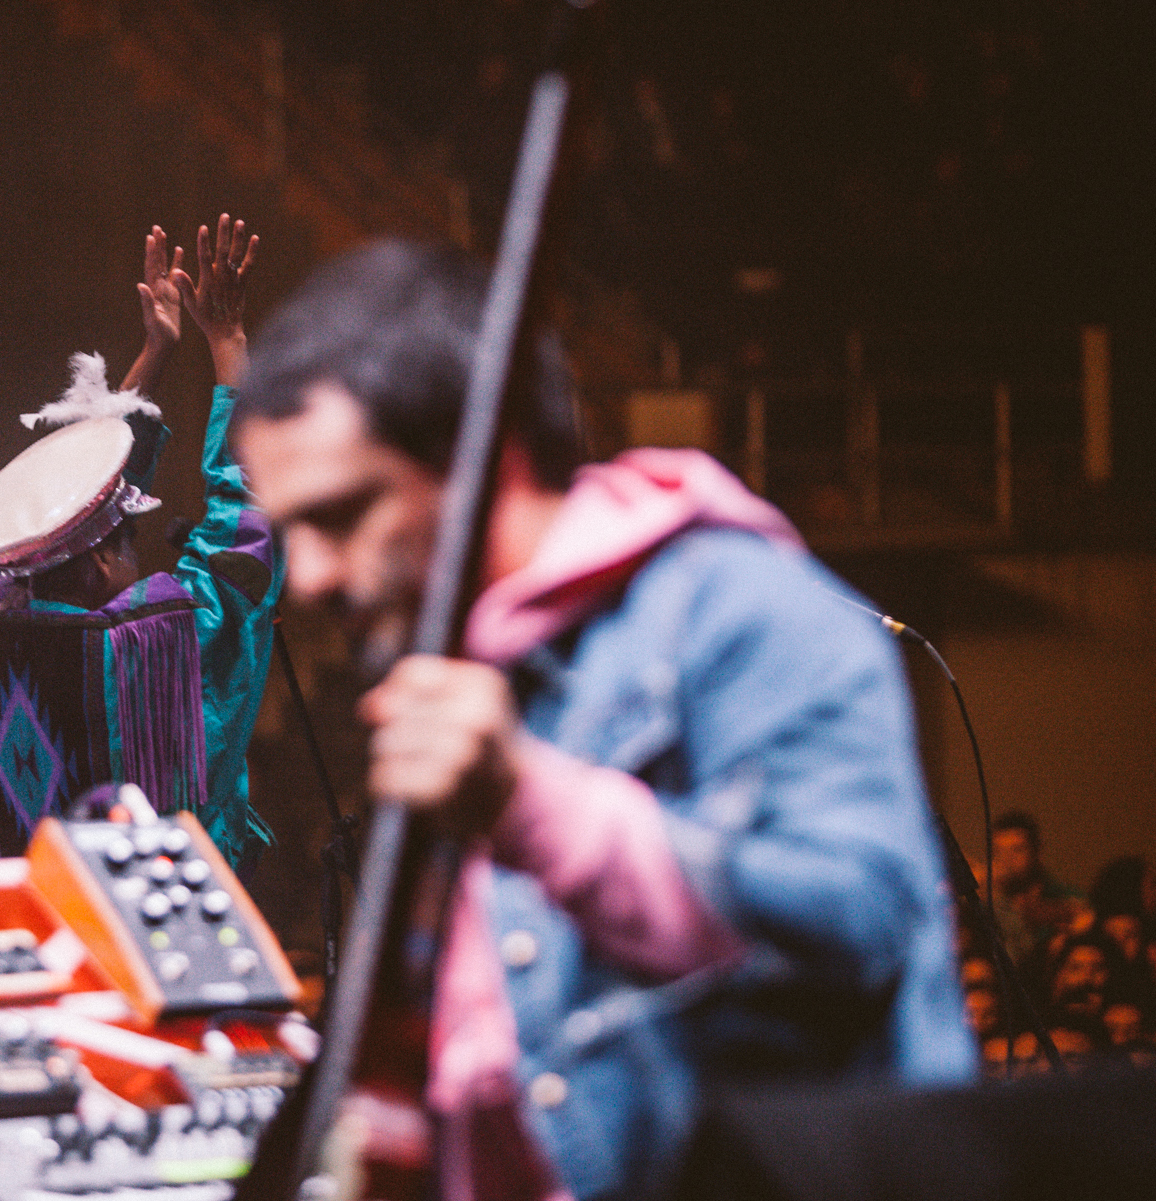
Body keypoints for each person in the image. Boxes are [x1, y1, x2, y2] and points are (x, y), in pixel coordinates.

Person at [231, 240, 976, 1200]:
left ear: (482, 453)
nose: (311, 576)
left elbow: (859, 918)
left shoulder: (737, 609)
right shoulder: (455, 673)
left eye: (340, 514)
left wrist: (532, 804)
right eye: (287, 528)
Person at [0, 217, 283, 871]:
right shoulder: (145, 647)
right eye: (127, 542)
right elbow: (242, 535)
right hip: (169, 937)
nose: (137, 561)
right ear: (101, 558)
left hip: (54, 925)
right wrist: (229, 340)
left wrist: (155, 351)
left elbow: (73, 503)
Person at [989, 810, 1084, 969]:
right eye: (999, 852)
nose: (1006, 860)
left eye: (1017, 850)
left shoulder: (1064, 896)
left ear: (1037, 852)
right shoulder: (988, 903)